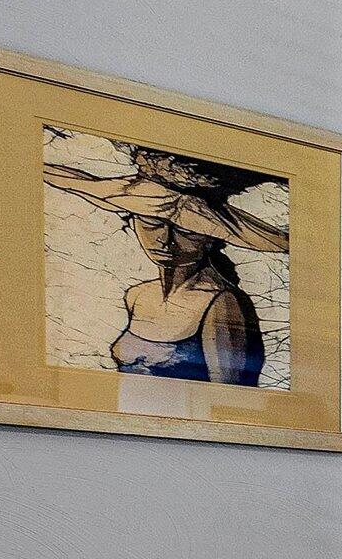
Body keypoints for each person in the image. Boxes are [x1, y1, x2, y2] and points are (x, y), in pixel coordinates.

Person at [43, 145, 286, 386]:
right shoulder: (137, 296)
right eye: (151, 223)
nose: (165, 240)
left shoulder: (223, 304)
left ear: (210, 237)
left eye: (186, 230)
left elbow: (230, 399)